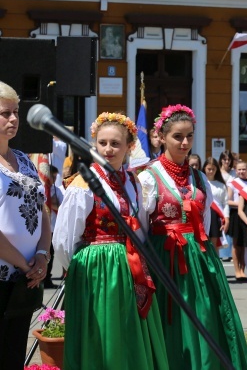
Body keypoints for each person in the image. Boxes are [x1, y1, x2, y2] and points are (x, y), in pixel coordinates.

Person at [138, 105, 247, 369]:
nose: (185, 142)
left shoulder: (199, 177)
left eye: (189, 136)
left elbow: (205, 222)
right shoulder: (149, 177)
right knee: (172, 322)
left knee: (205, 317)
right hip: (164, 258)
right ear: (163, 137)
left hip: (199, 260)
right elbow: (142, 229)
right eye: (178, 136)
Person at [53, 112, 169, 370]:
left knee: (128, 330)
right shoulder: (83, 183)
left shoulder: (133, 182)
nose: (108, 149)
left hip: (129, 266)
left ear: (129, 147)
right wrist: (78, 270)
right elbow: (64, 239)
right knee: (103, 332)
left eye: (115, 143)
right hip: (97, 270)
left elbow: (140, 226)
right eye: (102, 142)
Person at [0, 81, 50, 370]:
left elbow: (41, 210)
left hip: (24, 278)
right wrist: (24, 264)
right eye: (5, 113)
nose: (14, 119)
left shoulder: (24, 160)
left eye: (16, 112)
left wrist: (42, 257)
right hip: (10, 273)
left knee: (14, 356)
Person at [202, 157, 230, 256]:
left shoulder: (221, 185)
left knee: (214, 245)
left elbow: (225, 203)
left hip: (216, 216)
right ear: (204, 168)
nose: (211, 171)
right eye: (209, 169)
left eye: (213, 169)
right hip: (203, 214)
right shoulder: (200, 182)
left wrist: (226, 219)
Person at [228, 160, 247, 282]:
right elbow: (228, 200)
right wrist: (241, 204)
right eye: (239, 169)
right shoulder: (233, 183)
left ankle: (243, 269)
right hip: (236, 214)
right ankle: (237, 271)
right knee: (236, 244)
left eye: (244, 169)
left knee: (244, 244)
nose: (241, 172)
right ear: (236, 170)